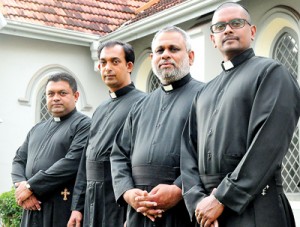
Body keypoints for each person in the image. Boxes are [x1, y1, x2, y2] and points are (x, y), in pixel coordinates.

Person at [181, 2, 300, 227]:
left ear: (252, 32)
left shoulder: (271, 73)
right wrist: (198, 202)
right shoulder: (204, 92)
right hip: (208, 214)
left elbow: (268, 145)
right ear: (212, 39)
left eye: (236, 23)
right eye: (220, 26)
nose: (227, 29)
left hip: (257, 208)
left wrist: (223, 197)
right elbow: (187, 152)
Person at [110, 26, 204, 227]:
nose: (166, 55)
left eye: (173, 49)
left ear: (191, 56)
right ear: (152, 57)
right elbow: (119, 154)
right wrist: (127, 193)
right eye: (160, 51)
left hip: (183, 211)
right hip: (139, 211)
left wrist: (179, 189)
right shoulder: (140, 105)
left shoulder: (206, 97)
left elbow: (211, 154)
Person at [67, 41, 146, 227]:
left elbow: (139, 161)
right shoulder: (100, 108)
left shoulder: (143, 103)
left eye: (114, 62)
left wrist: (132, 213)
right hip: (91, 200)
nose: (107, 68)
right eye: (103, 62)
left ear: (129, 66)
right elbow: (85, 163)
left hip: (117, 199)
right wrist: (77, 207)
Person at [11, 72, 91, 227]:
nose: (55, 98)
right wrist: (21, 186)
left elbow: (71, 163)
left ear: (76, 96)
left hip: (61, 208)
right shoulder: (37, 128)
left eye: (62, 93)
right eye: (50, 93)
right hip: (31, 207)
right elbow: (19, 160)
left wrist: (31, 186)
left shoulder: (84, 125)